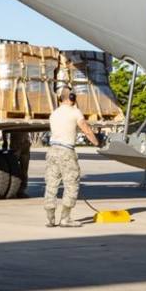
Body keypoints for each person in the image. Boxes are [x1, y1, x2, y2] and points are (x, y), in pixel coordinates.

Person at [44, 88, 100, 228]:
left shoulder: (54, 113)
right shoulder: (75, 112)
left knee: (51, 184)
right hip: (66, 151)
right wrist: (97, 142)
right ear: (72, 97)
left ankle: (50, 218)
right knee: (71, 184)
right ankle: (65, 218)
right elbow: (85, 129)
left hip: (52, 151)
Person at [7, 130, 32, 197]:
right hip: (16, 145)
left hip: (25, 144)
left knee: (24, 170)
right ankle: (13, 190)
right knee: (14, 170)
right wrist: (5, 141)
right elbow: (5, 130)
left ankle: (21, 191)